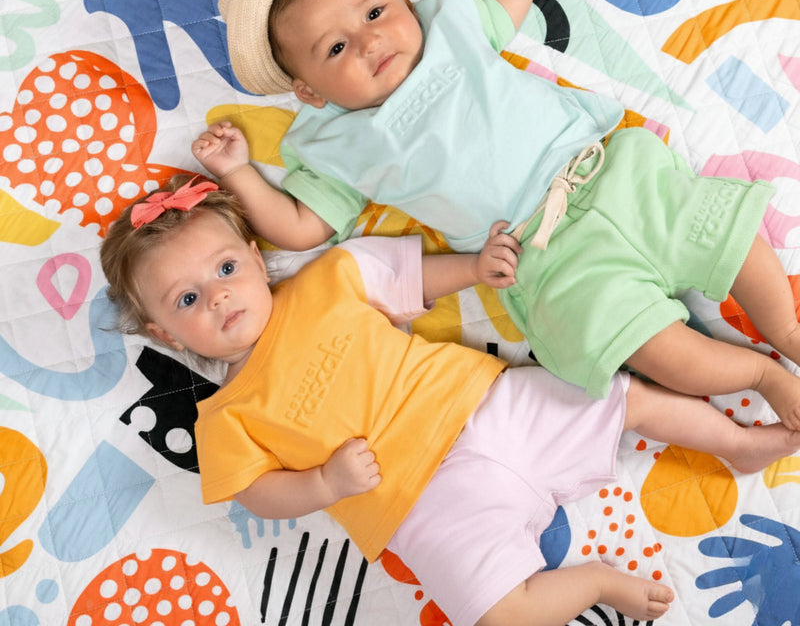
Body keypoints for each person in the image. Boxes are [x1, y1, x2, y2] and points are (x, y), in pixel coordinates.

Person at [194, 0, 800, 431]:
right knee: (641, 343)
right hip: (543, 256)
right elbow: (302, 227)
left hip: (610, 174)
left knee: (727, 231)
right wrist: (238, 172)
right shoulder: (338, 143)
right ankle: (760, 375)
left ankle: (788, 332)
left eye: (374, 13)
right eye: (335, 47)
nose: (369, 41)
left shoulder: (450, 25)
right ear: (309, 92)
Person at [101, 174, 800, 626]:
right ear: (165, 334)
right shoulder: (222, 418)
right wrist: (323, 484)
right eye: (188, 299)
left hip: (483, 407)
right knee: (496, 616)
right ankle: (593, 584)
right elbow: (257, 495)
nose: (220, 296)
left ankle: (735, 444)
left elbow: (409, 277)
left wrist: (475, 267)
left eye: (226, 268)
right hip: (423, 508)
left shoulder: (327, 280)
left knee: (629, 399)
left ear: (257, 259)